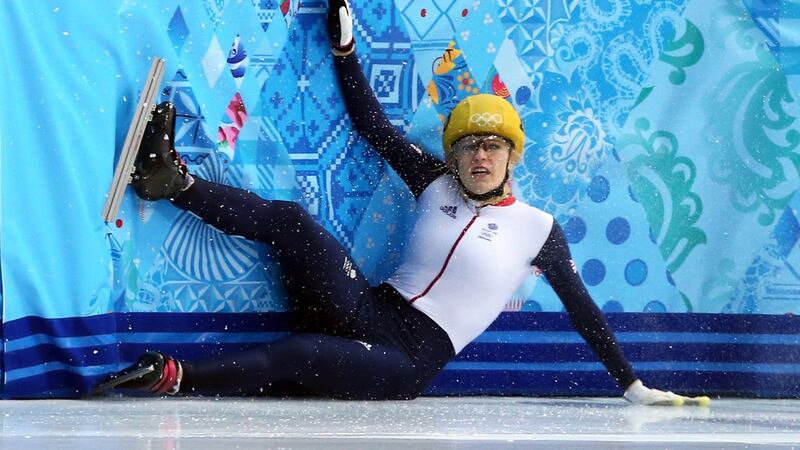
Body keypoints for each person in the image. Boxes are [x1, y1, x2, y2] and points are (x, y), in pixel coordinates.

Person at [96, 0, 705, 406]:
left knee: (298, 354)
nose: (479, 158)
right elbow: (372, 126)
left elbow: (583, 311)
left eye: (492, 147)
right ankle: (170, 183)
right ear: (455, 155)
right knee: (292, 221)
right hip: (364, 304)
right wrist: (345, 50)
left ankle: (172, 375)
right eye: (468, 147)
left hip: (404, 360)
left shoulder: (538, 229)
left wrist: (633, 385)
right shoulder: (434, 180)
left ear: (511, 157)